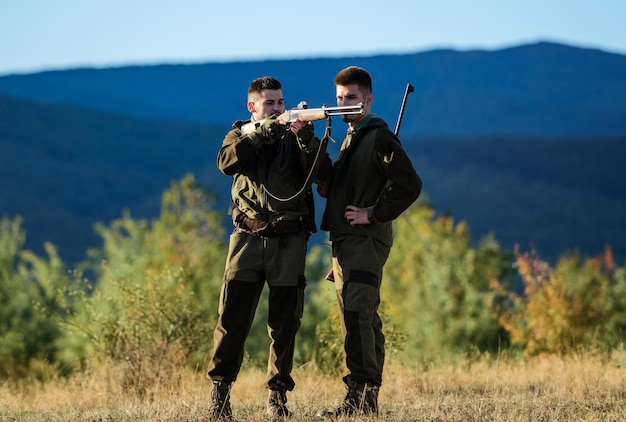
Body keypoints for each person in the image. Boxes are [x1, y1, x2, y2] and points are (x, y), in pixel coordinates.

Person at [208, 76, 332, 421]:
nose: (277, 108)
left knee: (284, 324)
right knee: (231, 319)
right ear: (252, 107)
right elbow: (226, 162)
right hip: (246, 241)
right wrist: (262, 133)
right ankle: (219, 397)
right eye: (269, 103)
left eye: (280, 102)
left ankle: (277, 400)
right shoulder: (239, 135)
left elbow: (325, 174)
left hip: (288, 243)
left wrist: (306, 136)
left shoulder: (297, 139)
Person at [316, 66, 422, 418]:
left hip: (364, 241)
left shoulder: (378, 137)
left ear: (368, 99)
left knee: (359, 318)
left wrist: (372, 213)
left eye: (352, 98)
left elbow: (410, 185)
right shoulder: (352, 135)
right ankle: (364, 398)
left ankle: (360, 399)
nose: (345, 105)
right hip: (347, 244)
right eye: (340, 99)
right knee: (357, 318)